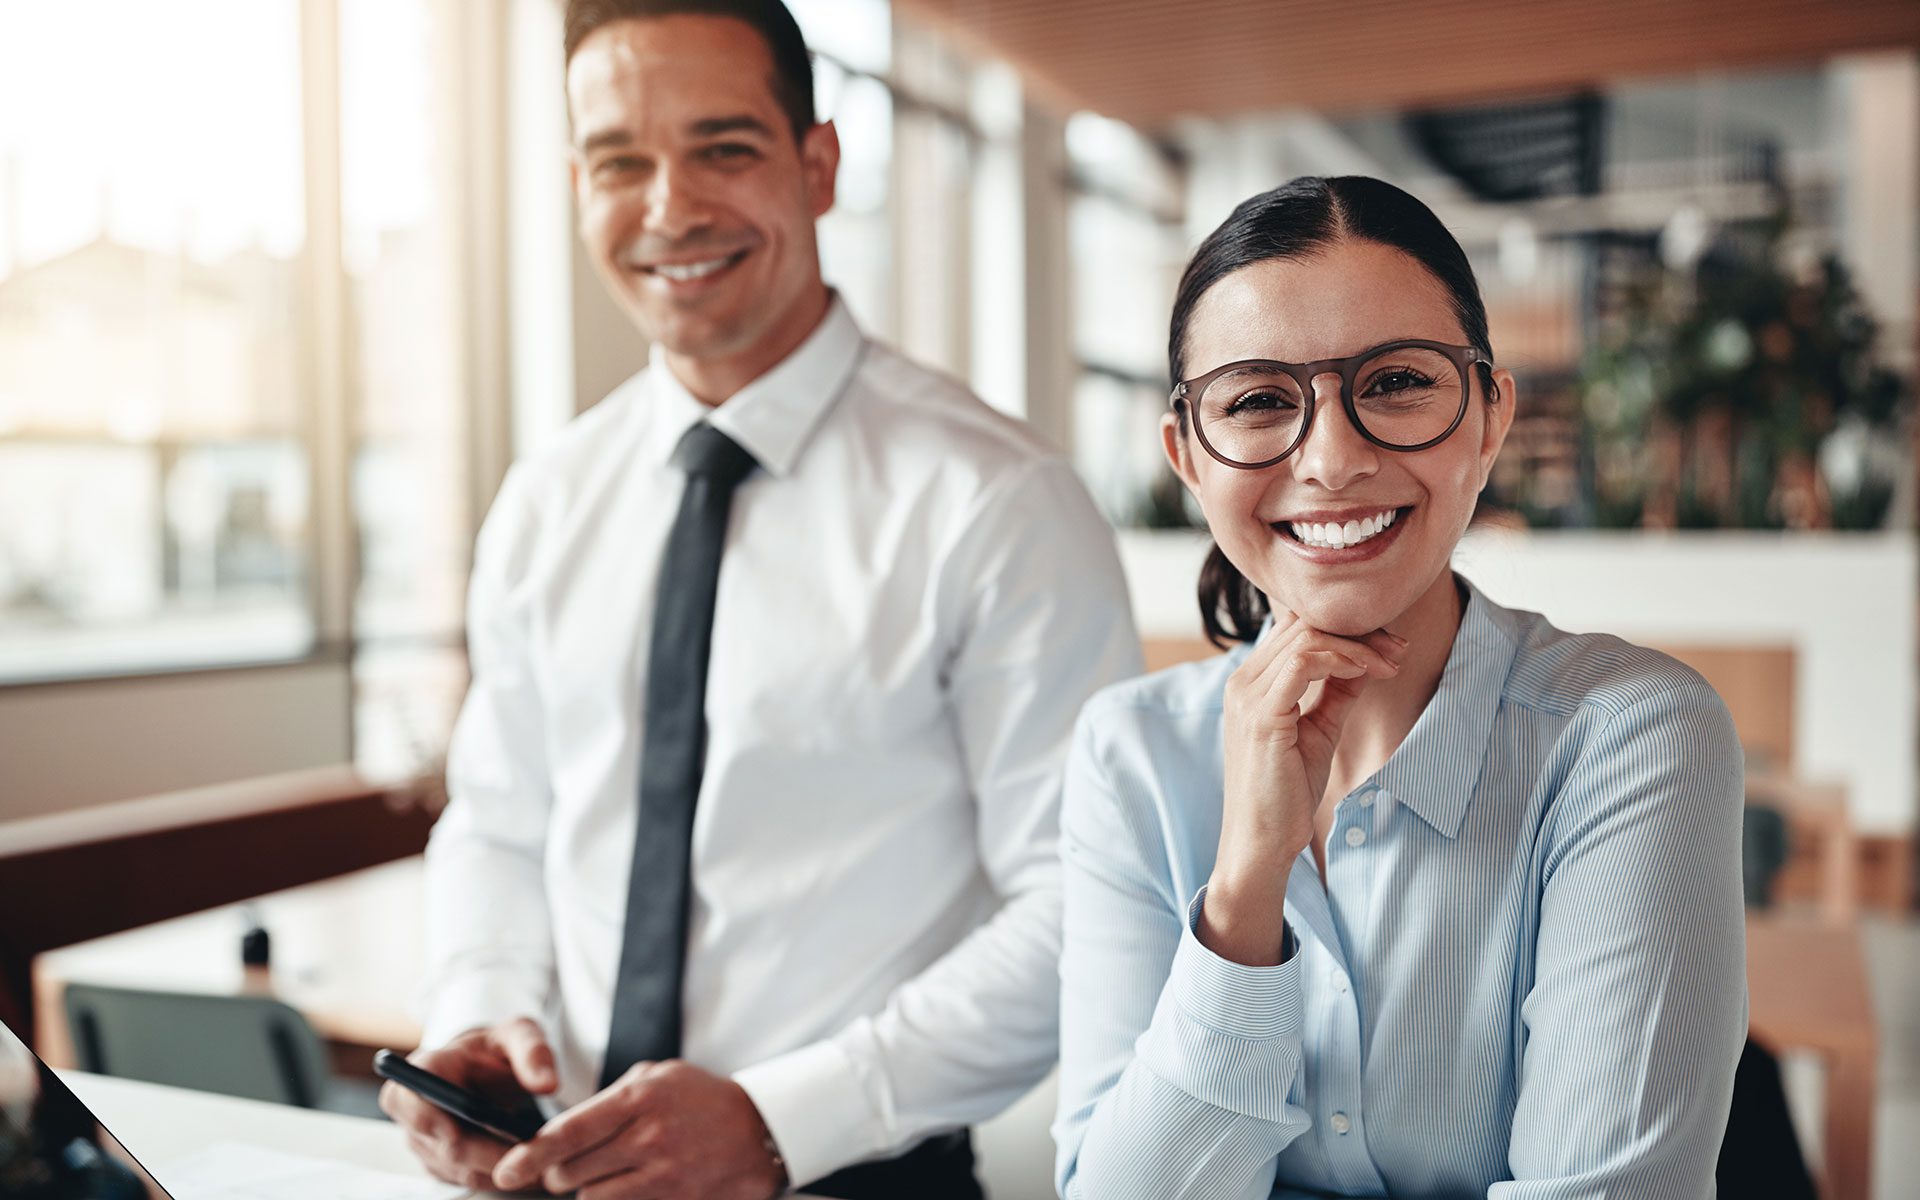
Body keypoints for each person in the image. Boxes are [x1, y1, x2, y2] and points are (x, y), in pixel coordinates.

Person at [378, 2, 1141, 1198]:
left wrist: (780, 1120)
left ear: (818, 165)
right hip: (564, 1169)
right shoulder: (545, 502)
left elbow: (1088, 906)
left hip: (857, 1179)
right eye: (619, 161)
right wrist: (481, 1012)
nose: (670, 208)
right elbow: (502, 822)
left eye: (723, 147)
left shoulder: (999, 503)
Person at [1052, 176, 1746, 1198]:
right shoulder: (1130, 755)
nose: (1332, 461)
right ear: (1188, 459)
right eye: (1257, 401)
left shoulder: (1630, 739)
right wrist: (1245, 891)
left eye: (1396, 385)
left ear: (1490, 418)